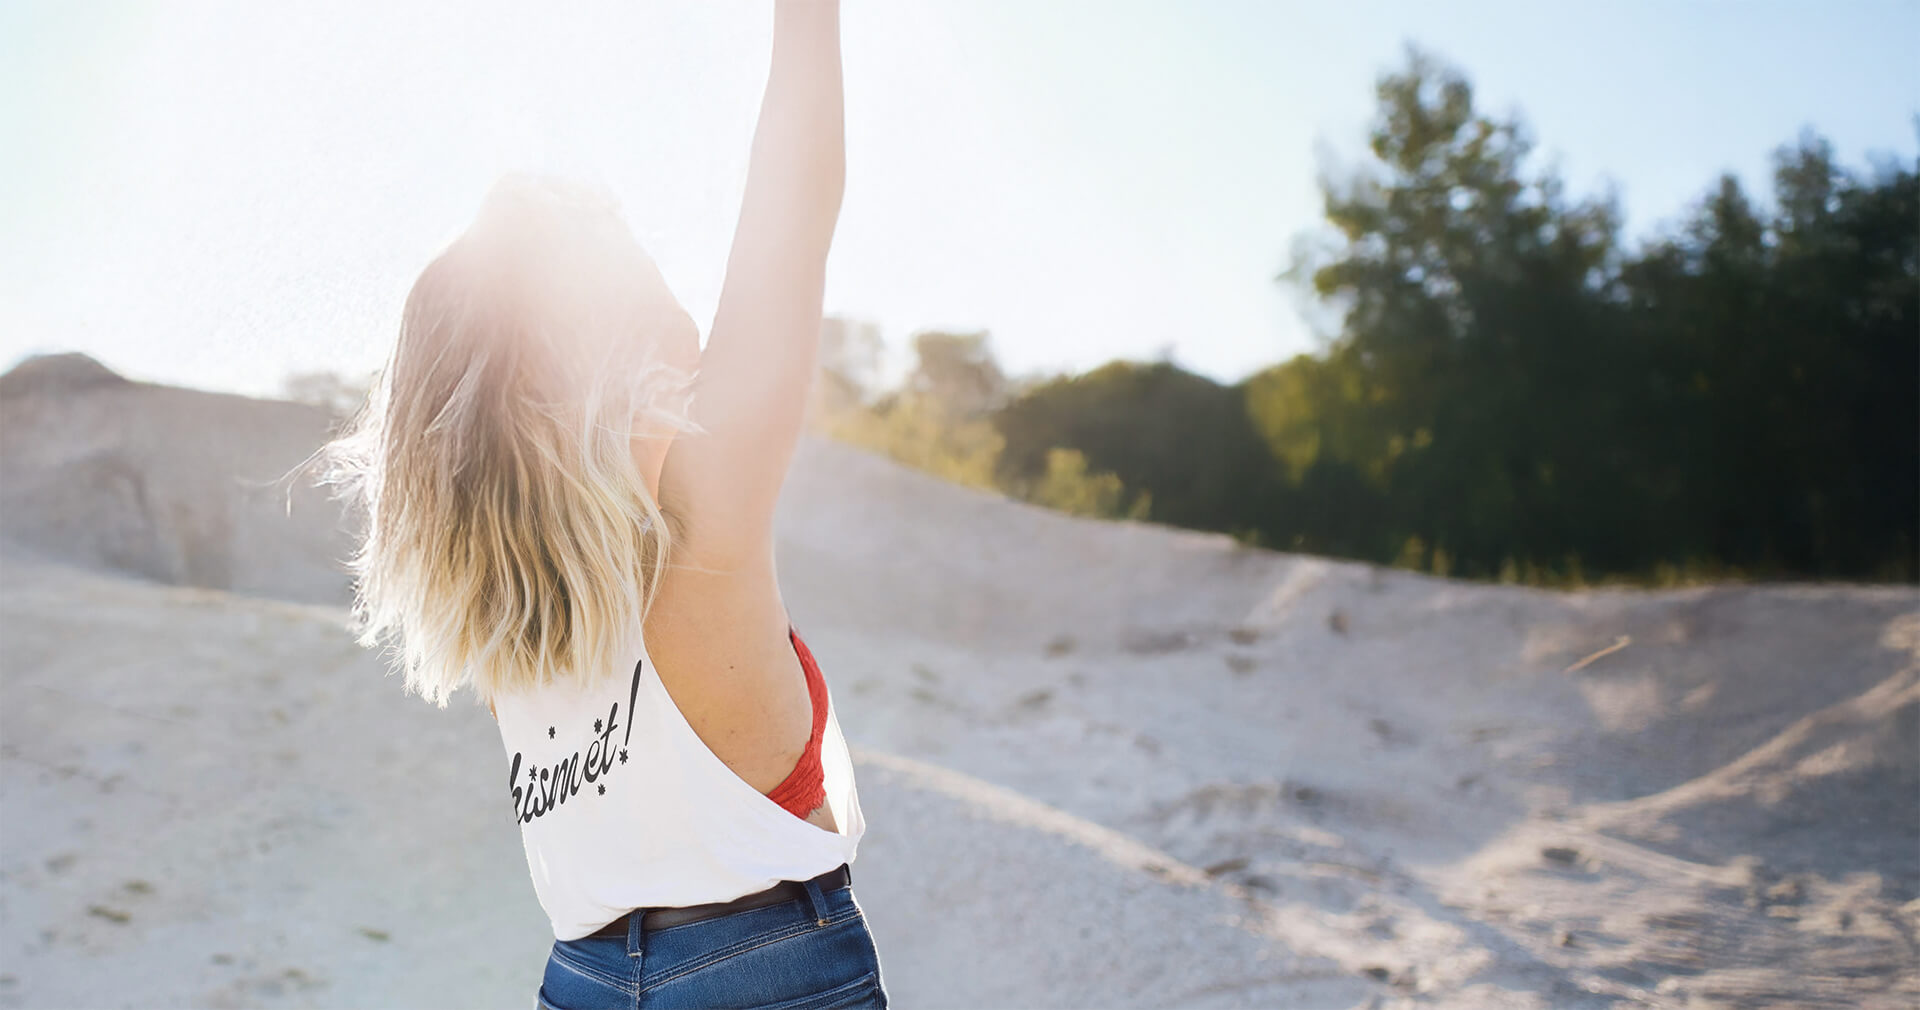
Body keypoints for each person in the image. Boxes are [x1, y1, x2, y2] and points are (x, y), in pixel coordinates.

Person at [315, 2, 887, 1007]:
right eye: (636, 259)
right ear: (601, 324)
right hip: (770, 972)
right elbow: (794, 204)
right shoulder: (696, 510)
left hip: (578, 977)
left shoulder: (500, 616)